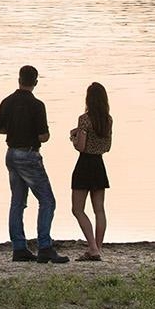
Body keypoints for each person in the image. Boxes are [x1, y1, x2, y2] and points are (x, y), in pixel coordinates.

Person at [0, 64, 68, 263]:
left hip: (11, 154)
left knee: (17, 202)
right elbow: (43, 136)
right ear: (35, 82)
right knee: (47, 200)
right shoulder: (37, 105)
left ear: (19, 80)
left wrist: (13, 130)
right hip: (29, 155)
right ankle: (45, 246)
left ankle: (19, 247)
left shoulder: (7, 101)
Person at [69, 82, 113, 261]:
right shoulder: (107, 120)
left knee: (77, 209)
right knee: (99, 210)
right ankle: (98, 248)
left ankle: (93, 248)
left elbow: (81, 146)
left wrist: (73, 137)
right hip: (99, 165)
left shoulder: (84, 119)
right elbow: (107, 146)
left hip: (84, 164)